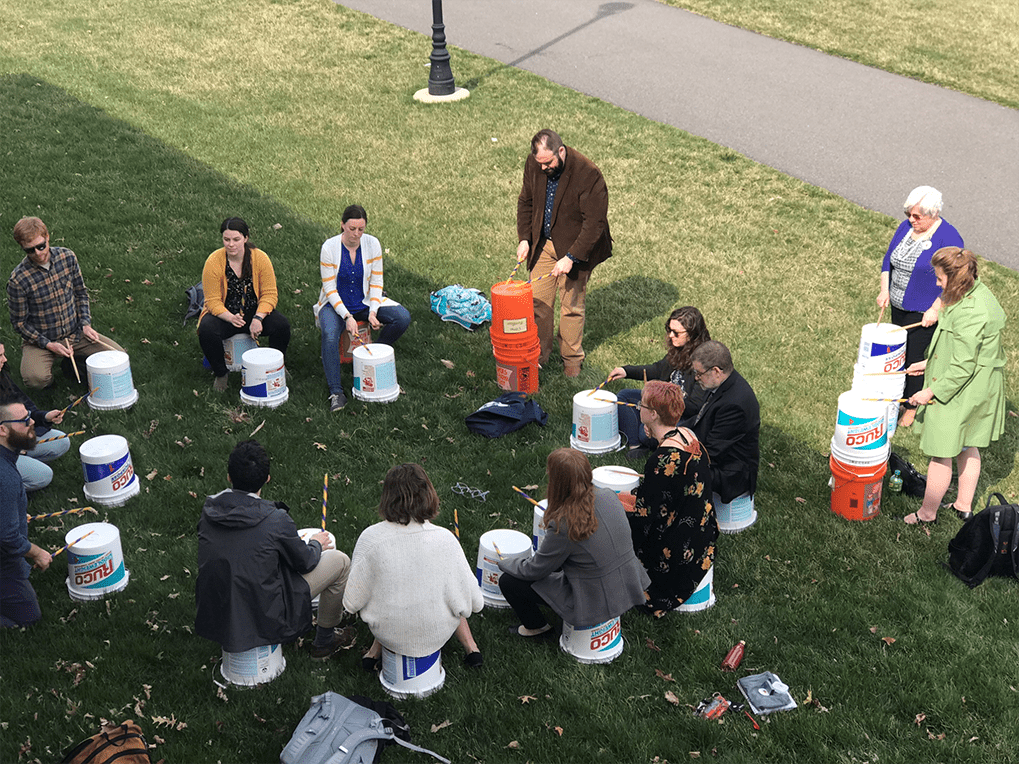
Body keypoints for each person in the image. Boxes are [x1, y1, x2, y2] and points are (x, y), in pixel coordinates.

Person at [195, 440, 354, 659]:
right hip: (265, 611)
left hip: (217, 608)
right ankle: (324, 642)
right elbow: (305, 562)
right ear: (267, 479)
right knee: (340, 561)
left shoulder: (209, 510)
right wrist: (316, 543)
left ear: (229, 476)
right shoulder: (275, 520)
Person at [343, 464, 483, 670]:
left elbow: (351, 602)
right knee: (454, 591)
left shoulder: (370, 539)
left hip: (388, 632)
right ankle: (471, 648)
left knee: (391, 590)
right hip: (437, 632)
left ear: (387, 496)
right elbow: (476, 603)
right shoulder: (446, 539)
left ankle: (375, 651)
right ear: (429, 494)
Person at [498, 448, 650, 637]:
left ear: (557, 482)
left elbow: (534, 570)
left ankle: (536, 628)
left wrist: (505, 562)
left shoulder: (563, 524)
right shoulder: (610, 496)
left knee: (509, 581)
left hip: (594, 601)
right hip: (629, 584)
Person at [903, 247, 1006, 525]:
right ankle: (963, 506)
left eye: (940, 278)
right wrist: (928, 364)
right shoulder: (972, 292)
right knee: (967, 443)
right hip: (978, 382)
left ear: (957, 279)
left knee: (942, 449)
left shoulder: (971, 312)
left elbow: (962, 366)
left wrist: (930, 391)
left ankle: (927, 514)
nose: (937, 283)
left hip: (966, 386)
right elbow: (960, 351)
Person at [516, 129, 612, 377]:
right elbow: (526, 200)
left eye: (548, 163)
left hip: (577, 246)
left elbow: (595, 224)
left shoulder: (588, 174)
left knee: (571, 306)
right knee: (538, 303)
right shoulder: (534, 163)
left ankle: (572, 361)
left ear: (561, 151)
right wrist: (525, 238)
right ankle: (539, 356)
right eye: (540, 163)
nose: (544, 168)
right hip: (543, 244)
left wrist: (571, 257)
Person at [625, 381, 718, 617]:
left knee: (613, 519)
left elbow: (647, 521)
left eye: (642, 405)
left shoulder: (662, 461)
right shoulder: (687, 435)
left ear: (653, 414)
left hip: (677, 550)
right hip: (701, 531)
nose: (638, 408)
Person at [877, 186, 963, 427]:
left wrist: (936, 308)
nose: (910, 220)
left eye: (917, 216)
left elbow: (953, 279)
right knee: (897, 351)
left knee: (914, 357)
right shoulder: (907, 227)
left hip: (924, 309)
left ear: (934, 214)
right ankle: (895, 396)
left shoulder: (949, 237)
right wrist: (885, 290)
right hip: (897, 302)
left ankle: (911, 405)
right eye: (909, 215)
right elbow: (888, 259)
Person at [8, 217, 124, 389]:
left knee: (119, 357)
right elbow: (19, 323)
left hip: (76, 333)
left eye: (41, 246)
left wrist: (85, 324)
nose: (38, 253)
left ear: (47, 237)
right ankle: (54, 381)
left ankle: (73, 361)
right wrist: (48, 344)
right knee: (36, 379)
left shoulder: (67, 257)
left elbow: (81, 294)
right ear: (22, 248)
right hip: (42, 341)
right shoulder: (18, 280)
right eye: (30, 250)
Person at [314, 205, 411, 411]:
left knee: (402, 317)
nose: (356, 234)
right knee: (330, 334)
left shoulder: (372, 244)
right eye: (351, 229)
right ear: (342, 225)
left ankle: (374, 354)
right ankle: (336, 392)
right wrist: (347, 316)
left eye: (360, 229)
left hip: (364, 301)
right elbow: (329, 289)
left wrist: (374, 311)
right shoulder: (329, 247)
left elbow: (377, 282)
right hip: (335, 304)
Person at [198, 218, 291, 392]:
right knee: (206, 329)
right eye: (226, 240)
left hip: (254, 312)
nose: (231, 244)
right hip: (226, 314)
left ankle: (278, 364)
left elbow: (270, 294)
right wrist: (229, 317)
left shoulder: (260, 258)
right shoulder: (214, 261)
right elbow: (211, 301)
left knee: (281, 325)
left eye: (236, 240)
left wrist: (258, 318)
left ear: (246, 238)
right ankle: (221, 373)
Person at [608, 306, 711, 458]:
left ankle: (647, 437)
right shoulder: (680, 348)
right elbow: (658, 369)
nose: (670, 335)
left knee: (646, 432)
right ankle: (636, 445)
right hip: (661, 406)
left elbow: (694, 406)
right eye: (669, 329)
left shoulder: (704, 361)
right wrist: (626, 371)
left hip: (680, 415)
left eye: (676, 332)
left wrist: (660, 406)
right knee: (624, 396)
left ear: (691, 334)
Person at [1, 397, 53, 628]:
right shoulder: (6, 477)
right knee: (27, 618)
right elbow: (7, 537)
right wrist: (37, 552)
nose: (32, 422)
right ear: (3, 430)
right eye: (24, 421)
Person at [690, 341, 760, 506]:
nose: (696, 377)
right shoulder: (726, 384)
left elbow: (710, 453)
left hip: (731, 473)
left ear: (716, 371)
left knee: (675, 469)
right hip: (721, 456)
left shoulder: (734, 405)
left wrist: (676, 450)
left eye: (699, 373)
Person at [0, 343, 70, 491]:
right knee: (42, 476)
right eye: (0, 356)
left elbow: (25, 407)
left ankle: (20, 464)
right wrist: (14, 450)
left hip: (11, 439)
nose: (5, 359)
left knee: (61, 441)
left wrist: (45, 417)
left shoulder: (2, 377)